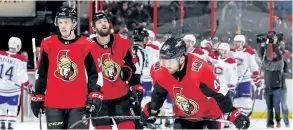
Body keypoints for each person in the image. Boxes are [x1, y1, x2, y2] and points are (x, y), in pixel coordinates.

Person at [140, 37, 250, 129]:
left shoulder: (199, 70)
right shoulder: (159, 70)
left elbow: (220, 92)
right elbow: (159, 94)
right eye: (163, 60)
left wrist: (231, 113)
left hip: (208, 117)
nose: (166, 65)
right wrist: (152, 109)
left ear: (181, 59)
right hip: (182, 117)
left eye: (170, 61)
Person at [30, 7, 103, 129]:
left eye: (66, 22)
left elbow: (95, 74)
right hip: (53, 103)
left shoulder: (87, 44)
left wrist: (95, 94)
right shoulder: (48, 43)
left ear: (74, 23)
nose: (63, 26)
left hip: (79, 103)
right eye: (60, 22)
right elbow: (41, 73)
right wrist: (38, 94)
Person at [84, 11, 145, 129]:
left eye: (105, 21)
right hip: (99, 100)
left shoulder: (122, 42)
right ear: (94, 27)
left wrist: (136, 85)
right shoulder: (87, 46)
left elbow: (132, 66)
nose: (103, 24)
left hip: (121, 96)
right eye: (99, 22)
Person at [0, 37, 31, 130]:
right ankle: (10, 126)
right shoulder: (20, 58)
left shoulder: (0, 54)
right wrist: (28, 84)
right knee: (12, 108)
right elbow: (22, 74)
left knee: (1, 107)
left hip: (1, 88)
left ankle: (2, 125)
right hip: (13, 90)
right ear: (18, 46)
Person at [208, 42, 238, 128]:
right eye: (219, 49)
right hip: (216, 86)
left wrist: (232, 85)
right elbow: (207, 58)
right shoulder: (216, 59)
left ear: (225, 51)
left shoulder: (230, 61)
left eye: (221, 50)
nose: (219, 51)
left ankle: (228, 121)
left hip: (225, 87)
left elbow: (234, 74)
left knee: (227, 106)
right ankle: (219, 121)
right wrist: (206, 46)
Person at [231, 35, 261, 117]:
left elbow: (254, 66)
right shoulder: (231, 52)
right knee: (235, 103)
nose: (236, 43)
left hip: (245, 81)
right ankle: (236, 121)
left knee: (246, 102)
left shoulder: (248, 53)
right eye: (235, 41)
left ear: (242, 43)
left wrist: (257, 78)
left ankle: (245, 119)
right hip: (234, 82)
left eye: (238, 42)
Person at [260, 34, 284, 128]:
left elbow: (278, 54)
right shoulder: (267, 63)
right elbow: (262, 55)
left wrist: (274, 44)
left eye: (274, 54)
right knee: (269, 107)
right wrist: (264, 44)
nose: (273, 55)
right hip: (267, 88)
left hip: (277, 88)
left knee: (276, 106)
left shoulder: (279, 63)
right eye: (272, 54)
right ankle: (270, 123)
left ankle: (278, 120)